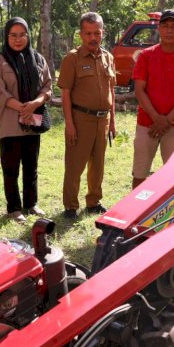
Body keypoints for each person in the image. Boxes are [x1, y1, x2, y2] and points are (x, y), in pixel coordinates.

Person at [0, 17, 52, 222]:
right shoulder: (0, 60)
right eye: (13, 35)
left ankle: (31, 204)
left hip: (33, 120)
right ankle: (14, 208)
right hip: (10, 123)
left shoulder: (38, 59)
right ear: (7, 37)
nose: (18, 40)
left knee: (31, 165)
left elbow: (47, 88)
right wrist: (22, 108)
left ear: (28, 35)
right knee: (11, 167)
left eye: (22, 35)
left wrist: (34, 104)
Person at [131, 9, 174, 189]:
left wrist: (167, 120)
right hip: (147, 124)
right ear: (159, 29)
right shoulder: (146, 56)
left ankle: (170, 216)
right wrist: (156, 118)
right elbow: (139, 90)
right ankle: (137, 214)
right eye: (165, 26)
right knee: (140, 174)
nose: (169, 30)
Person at [58, 12, 116, 220]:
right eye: (88, 33)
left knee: (98, 164)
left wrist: (112, 122)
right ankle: (71, 206)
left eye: (97, 33)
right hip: (81, 119)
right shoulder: (72, 59)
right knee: (75, 164)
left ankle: (94, 201)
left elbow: (112, 90)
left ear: (102, 33)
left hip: (103, 120)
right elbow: (65, 93)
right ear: (81, 34)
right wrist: (69, 125)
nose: (93, 38)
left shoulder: (108, 57)